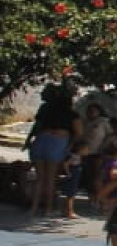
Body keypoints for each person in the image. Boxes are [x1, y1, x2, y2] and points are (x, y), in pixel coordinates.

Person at [26, 83, 79, 217]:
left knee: (40, 178)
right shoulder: (71, 114)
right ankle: (48, 209)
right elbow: (79, 133)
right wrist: (69, 147)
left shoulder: (45, 109)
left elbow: (37, 126)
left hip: (41, 139)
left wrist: (28, 140)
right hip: (58, 141)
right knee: (51, 177)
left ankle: (33, 208)